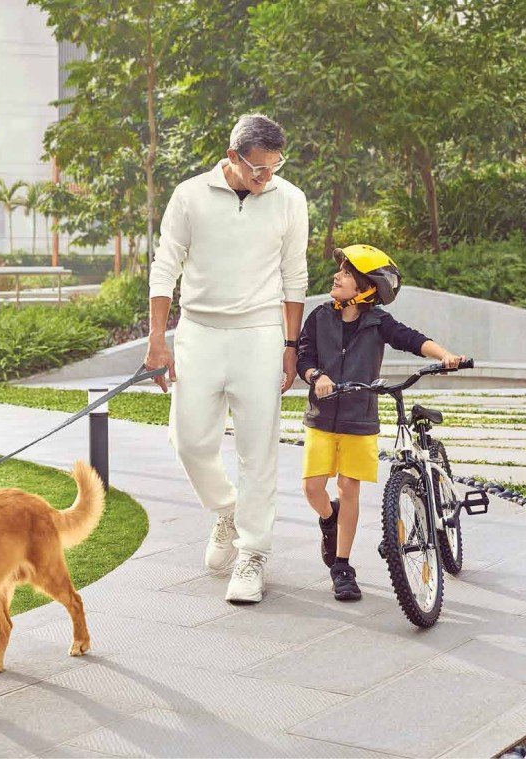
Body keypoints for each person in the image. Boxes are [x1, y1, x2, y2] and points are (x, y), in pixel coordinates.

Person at [145, 114, 308, 604]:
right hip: (198, 331)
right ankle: (227, 508)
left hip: (260, 333)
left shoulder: (290, 199)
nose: (267, 178)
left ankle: (253, 553)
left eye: (275, 167)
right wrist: (157, 338)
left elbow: (294, 274)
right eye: (258, 169)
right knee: (188, 439)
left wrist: (291, 345)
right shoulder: (190, 195)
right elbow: (165, 266)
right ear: (233, 157)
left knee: (258, 450)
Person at [295, 244, 465, 601]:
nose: (337, 276)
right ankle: (330, 519)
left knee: (349, 488)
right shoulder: (319, 317)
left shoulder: (378, 323)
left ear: (363, 288)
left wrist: (446, 355)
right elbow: (304, 356)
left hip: (359, 418)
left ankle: (342, 567)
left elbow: (414, 340)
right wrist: (315, 375)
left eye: (345, 273)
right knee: (313, 489)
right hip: (321, 417)